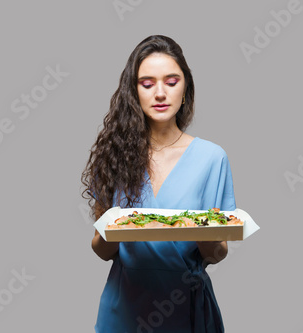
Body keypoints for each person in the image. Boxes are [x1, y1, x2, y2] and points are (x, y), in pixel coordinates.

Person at [81, 35, 236, 332]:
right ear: (134, 91)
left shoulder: (211, 158)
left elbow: (217, 254)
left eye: (171, 81)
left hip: (186, 307)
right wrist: (113, 227)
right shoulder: (115, 153)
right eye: (147, 84)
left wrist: (207, 234)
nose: (160, 93)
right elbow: (102, 251)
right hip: (124, 309)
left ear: (185, 87)